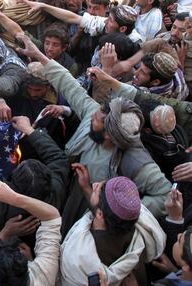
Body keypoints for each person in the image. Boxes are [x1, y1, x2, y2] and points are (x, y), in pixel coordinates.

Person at [15, 35, 171, 235]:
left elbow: (165, 194)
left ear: (110, 135)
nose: (91, 118)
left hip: (90, 213)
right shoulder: (95, 112)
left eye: (96, 120)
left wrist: (116, 212)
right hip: (70, 189)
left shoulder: (134, 159)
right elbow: (68, 84)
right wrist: (38, 55)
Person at [0, 102, 69, 252]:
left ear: (10, 183)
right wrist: (29, 130)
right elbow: (58, 159)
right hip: (33, 246)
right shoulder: (56, 190)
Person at [60, 175, 166, 285]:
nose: (95, 184)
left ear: (100, 214)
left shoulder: (79, 253)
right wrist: (88, 190)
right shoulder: (131, 221)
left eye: (97, 190)